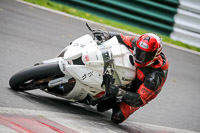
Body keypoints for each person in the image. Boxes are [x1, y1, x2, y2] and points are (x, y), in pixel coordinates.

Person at [93, 30, 169, 123]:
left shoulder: (154, 77)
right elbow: (120, 37)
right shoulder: (137, 43)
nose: (140, 56)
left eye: (145, 55)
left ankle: (116, 100)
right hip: (131, 73)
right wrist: (106, 34)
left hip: (138, 91)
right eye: (139, 52)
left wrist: (118, 92)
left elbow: (139, 100)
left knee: (116, 117)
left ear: (155, 55)